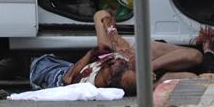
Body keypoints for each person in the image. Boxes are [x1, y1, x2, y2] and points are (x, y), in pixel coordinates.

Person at [29, 10, 203, 94]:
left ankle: (149, 66)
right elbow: (68, 80)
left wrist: (114, 35)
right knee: (192, 64)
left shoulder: (109, 56)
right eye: (123, 62)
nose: (123, 59)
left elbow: (101, 15)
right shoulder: (94, 83)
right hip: (55, 73)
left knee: (196, 57)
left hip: (48, 68)